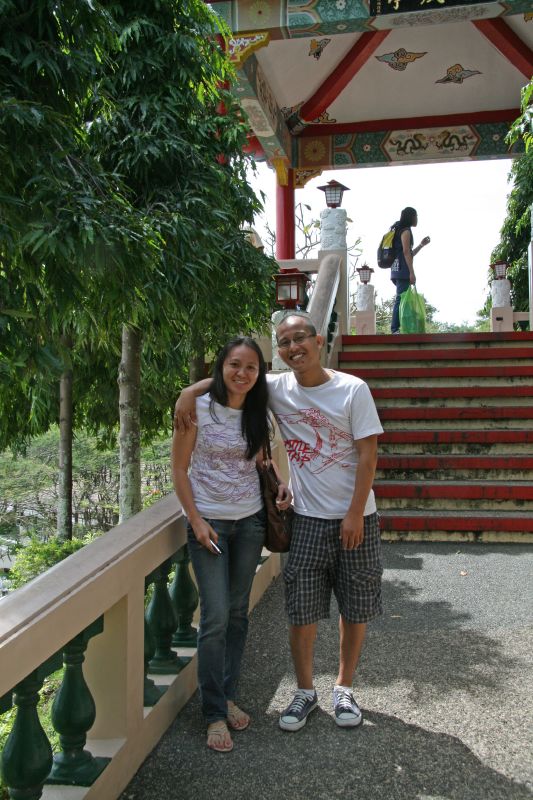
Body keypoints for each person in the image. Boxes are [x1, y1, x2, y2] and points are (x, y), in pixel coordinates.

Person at [174, 313, 384, 733]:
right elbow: (233, 378)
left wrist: (356, 512)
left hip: (355, 516)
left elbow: (368, 455)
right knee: (300, 610)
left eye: (300, 338)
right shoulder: (277, 387)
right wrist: (187, 392)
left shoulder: (352, 389)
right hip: (304, 517)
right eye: (284, 341)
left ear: (319, 340)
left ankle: (343, 687)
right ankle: (305, 690)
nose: (293, 347)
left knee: (355, 605)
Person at [171, 336, 291, 753]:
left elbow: (262, 461)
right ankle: (213, 715)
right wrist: (196, 519)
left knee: (239, 614)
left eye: (251, 368)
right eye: (234, 365)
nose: (242, 373)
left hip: (251, 522)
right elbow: (180, 469)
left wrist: (278, 486)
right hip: (211, 523)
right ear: (220, 366)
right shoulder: (196, 408)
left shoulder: (259, 411)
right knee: (216, 617)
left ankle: (226, 695)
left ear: (259, 374)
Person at [390, 206, 430, 334]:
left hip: (397, 268)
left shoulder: (399, 229)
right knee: (401, 298)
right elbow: (407, 252)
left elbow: (409, 253)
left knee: (403, 298)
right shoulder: (405, 231)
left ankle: (402, 327)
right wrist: (411, 272)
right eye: (416, 216)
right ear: (411, 217)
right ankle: (395, 328)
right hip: (403, 269)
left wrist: (421, 245)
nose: (417, 219)